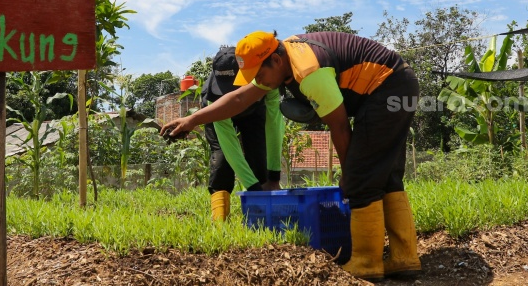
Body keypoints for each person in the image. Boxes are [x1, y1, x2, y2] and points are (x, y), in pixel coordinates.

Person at [161, 30, 421, 281]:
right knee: (384, 175)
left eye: (260, 73)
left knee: (362, 178)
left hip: (389, 90)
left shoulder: (309, 72)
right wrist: (191, 120)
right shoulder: (282, 57)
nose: (259, 80)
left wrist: (349, 176)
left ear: (275, 60)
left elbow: (340, 127)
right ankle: (404, 258)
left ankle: (366, 262)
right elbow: (239, 99)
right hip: (394, 87)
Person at [199, 46, 284, 221]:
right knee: (221, 160)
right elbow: (228, 143)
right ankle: (219, 222)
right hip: (220, 116)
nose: (228, 94)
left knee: (259, 158)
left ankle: (259, 219)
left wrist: (274, 175)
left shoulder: (266, 80)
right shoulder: (213, 97)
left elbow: (274, 123)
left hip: (253, 112)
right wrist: (253, 188)